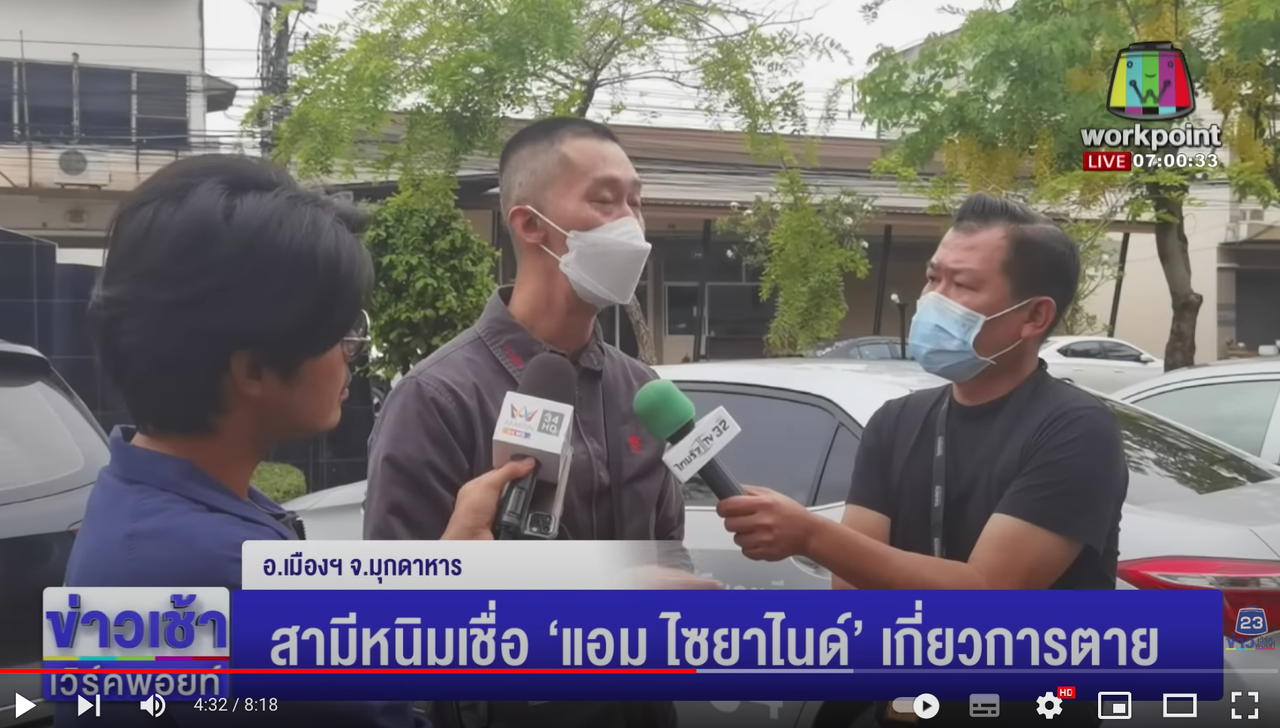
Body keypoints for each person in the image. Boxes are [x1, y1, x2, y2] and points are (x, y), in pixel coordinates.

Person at [58, 155, 533, 728]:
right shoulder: (219, 575)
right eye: (340, 331)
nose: (351, 351)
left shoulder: (144, 503)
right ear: (254, 369)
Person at [716, 193, 1128, 727]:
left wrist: (811, 534)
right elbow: (853, 592)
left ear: (1033, 316)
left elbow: (987, 600)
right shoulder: (897, 421)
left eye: (963, 285)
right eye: (934, 278)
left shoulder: (1074, 429)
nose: (933, 299)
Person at [365, 117, 706, 728]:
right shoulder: (437, 399)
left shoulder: (641, 390)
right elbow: (393, 620)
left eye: (636, 202)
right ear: (529, 224)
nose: (631, 224)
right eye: (605, 200)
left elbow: (667, 553)